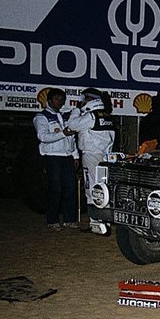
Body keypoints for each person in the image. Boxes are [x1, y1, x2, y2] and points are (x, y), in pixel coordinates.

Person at [67, 88, 116, 232]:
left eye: (84, 99)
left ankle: (95, 222)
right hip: (105, 156)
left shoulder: (91, 116)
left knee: (91, 188)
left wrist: (76, 110)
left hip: (91, 155)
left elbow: (72, 125)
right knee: (103, 188)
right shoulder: (106, 115)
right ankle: (104, 221)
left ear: (89, 99)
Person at [33, 87, 80, 230]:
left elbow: (72, 137)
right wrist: (63, 134)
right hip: (52, 157)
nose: (59, 102)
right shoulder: (41, 117)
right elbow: (43, 137)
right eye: (56, 99)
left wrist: (75, 155)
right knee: (56, 189)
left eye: (61, 100)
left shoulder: (64, 116)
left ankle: (69, 219)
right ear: (49, 100)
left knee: (71, 187)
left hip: (67, 156)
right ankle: (52, 220)